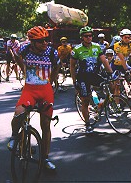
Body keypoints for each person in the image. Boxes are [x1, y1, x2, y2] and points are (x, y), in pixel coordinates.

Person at [7, 26, 60, 170]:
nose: (45, 43)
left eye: (46, 40)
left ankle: (45, 158)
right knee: (19, 113)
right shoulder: (25, 49)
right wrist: (23, 69)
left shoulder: (52, 52)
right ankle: (13, 136)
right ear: (32, 42)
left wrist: (51, 81)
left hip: (45, 90)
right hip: (29, 90)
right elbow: (16, 56)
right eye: (41, 41)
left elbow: (56, 67)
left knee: (46, 125)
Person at [70, 26, 114, 134]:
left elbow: (104, 60)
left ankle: (98, 106)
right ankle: (87, 123)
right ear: (82, 37)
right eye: (86, 36)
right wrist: (74, 81)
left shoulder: (97, 47)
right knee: (85, 101)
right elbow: (72, 66)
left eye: (90, 35)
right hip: (83, 78)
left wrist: (110, 73)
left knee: (110, 88)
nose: (89, 37)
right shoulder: (76, 50)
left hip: (95, 75)